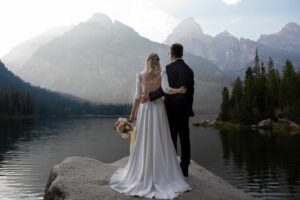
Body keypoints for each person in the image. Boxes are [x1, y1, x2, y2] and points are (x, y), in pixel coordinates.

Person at [109, 53, 191, 199]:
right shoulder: (163, 73)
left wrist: (133, 114)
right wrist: (178, 90)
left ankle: (143, 171)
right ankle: (162, 172)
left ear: (146, 61)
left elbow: (137, 97)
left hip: (145, 111)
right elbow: (165, 90)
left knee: (145, 140)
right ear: (158, 62)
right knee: (160, 138)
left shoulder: (140, 75)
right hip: (158, 110)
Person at [141, 43, 194, 177]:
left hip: (171, 109)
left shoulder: (168, 68)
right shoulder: (189, 70)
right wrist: (189, 108)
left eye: (169, 54)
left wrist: (150, 96)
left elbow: (164, 90)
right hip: (184, 110)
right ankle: (185, 169)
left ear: (172, 54)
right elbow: (190, 92)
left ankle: (173, 168)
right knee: (185, 138)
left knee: (171, 139)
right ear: (182, 53)